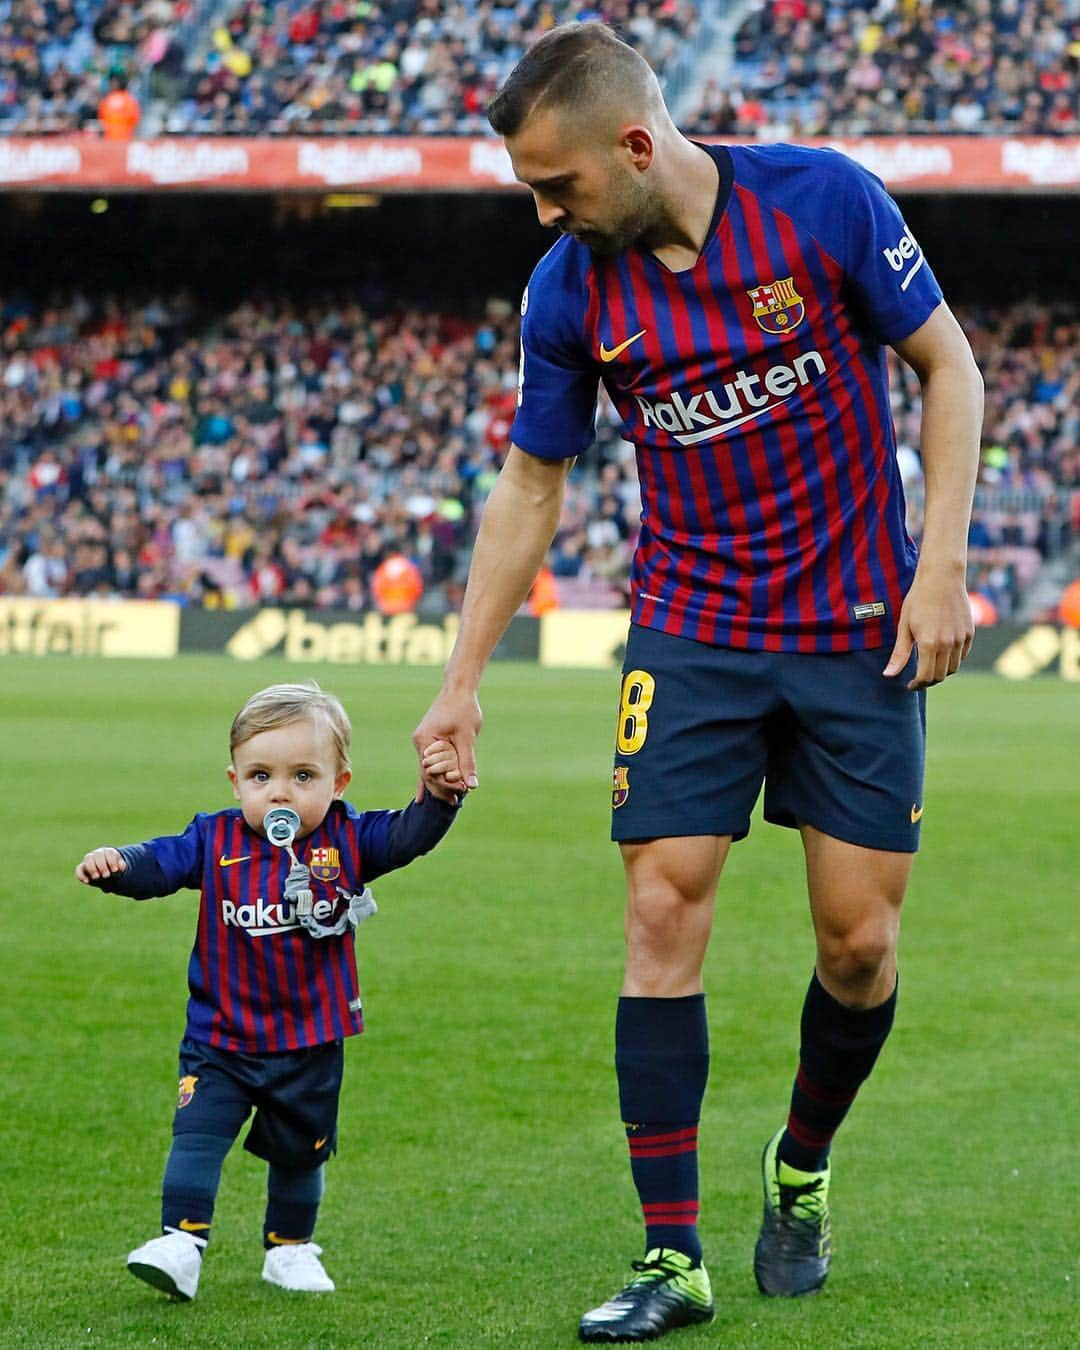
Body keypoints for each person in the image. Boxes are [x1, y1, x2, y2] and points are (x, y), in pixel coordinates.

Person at [413, 21, 982, 1344]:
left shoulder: (823, 203)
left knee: (858, 944)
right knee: (660, 913)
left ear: (634, 141)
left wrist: (940, 565)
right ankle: (671, 1254)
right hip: (691, 630)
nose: (547, 213)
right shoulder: (570, 288)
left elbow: (946, 365)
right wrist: (461, 677)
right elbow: (533, 481)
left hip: (855, 628)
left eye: (557, 186)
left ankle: (800, 1162)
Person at [77, 681, 462, 1301]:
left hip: (309, 1041)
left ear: (340, 782)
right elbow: (162, 861)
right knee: (197, 1136)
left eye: (303, 775)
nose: (279, 791)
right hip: (220, 1036)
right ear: (235, 781)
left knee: (299, 1156)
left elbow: (407, 835)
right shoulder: (216, 839)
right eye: (261, 776)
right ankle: (182, 1241)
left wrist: (439, 801)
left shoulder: (347, 840)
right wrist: (119, 865)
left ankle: (290, 1249)